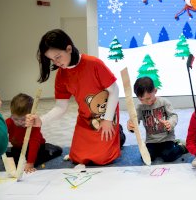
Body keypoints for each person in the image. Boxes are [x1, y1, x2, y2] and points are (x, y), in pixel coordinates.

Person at [26, 29, 125, 166]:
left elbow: (115, 90)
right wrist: (41, 121)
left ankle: (118, 133)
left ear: (68, 48)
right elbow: (60, 107)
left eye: (58, 56)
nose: (55, 62)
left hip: (106, 114)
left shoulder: (94, 64)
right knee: (78, 158)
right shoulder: (61, 75)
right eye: (51, 59)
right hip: (85, 119)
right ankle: (114, 136)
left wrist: (108, 120)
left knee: (102, 159)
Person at [127, 77, 187, 162]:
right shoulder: (140, 107)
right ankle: (159, 151)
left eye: (148, 98)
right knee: (146, 158)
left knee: (168, 156)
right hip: (151, 141)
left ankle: (182, 146)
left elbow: (174, 115)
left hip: (167, 138)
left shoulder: (164, 102)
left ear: (155, 91)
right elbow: (134, 121)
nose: (146, 102)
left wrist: (170, 123)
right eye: (141, 99)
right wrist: (131, 126)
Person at [5, 93, 62, 173]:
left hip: (37, 147)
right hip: (19, 148)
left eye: (23, 119)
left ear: (31, 115)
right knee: (11, 158)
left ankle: (51, 148)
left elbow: (34, 143)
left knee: (37, 159)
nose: (19, 122)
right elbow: (0, 134)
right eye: (15, 119)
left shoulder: (34, 125)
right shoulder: (9, 122)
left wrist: (30, 163)